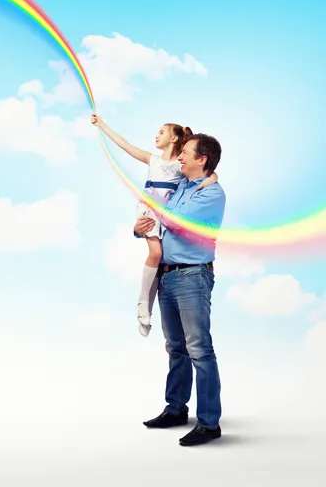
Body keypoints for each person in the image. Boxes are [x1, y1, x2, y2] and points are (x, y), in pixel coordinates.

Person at [134, 133, 225, 446]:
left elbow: (176, 220)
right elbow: (157, 215)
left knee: (199, 349)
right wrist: (139, 227)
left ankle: (209, 423)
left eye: (185, 152)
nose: (180, 157)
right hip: (168, 276)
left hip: (192, 276)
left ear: (202, 159)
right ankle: (176, 409)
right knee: (176, 347)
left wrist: (150, 209)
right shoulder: (186, 185)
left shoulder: (211, 194)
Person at [90, 115, 217, 336]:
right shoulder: (153, 159)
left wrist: (209, 181)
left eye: (161, 132)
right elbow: (125, 145)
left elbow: (210, 172)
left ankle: (154, 306)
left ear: (175, 138)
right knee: (155, 253)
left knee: (164, 257)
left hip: (169, 212)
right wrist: (101, 124)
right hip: (150, 208)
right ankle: (143, 306)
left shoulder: (182, 164)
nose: (156, 135)